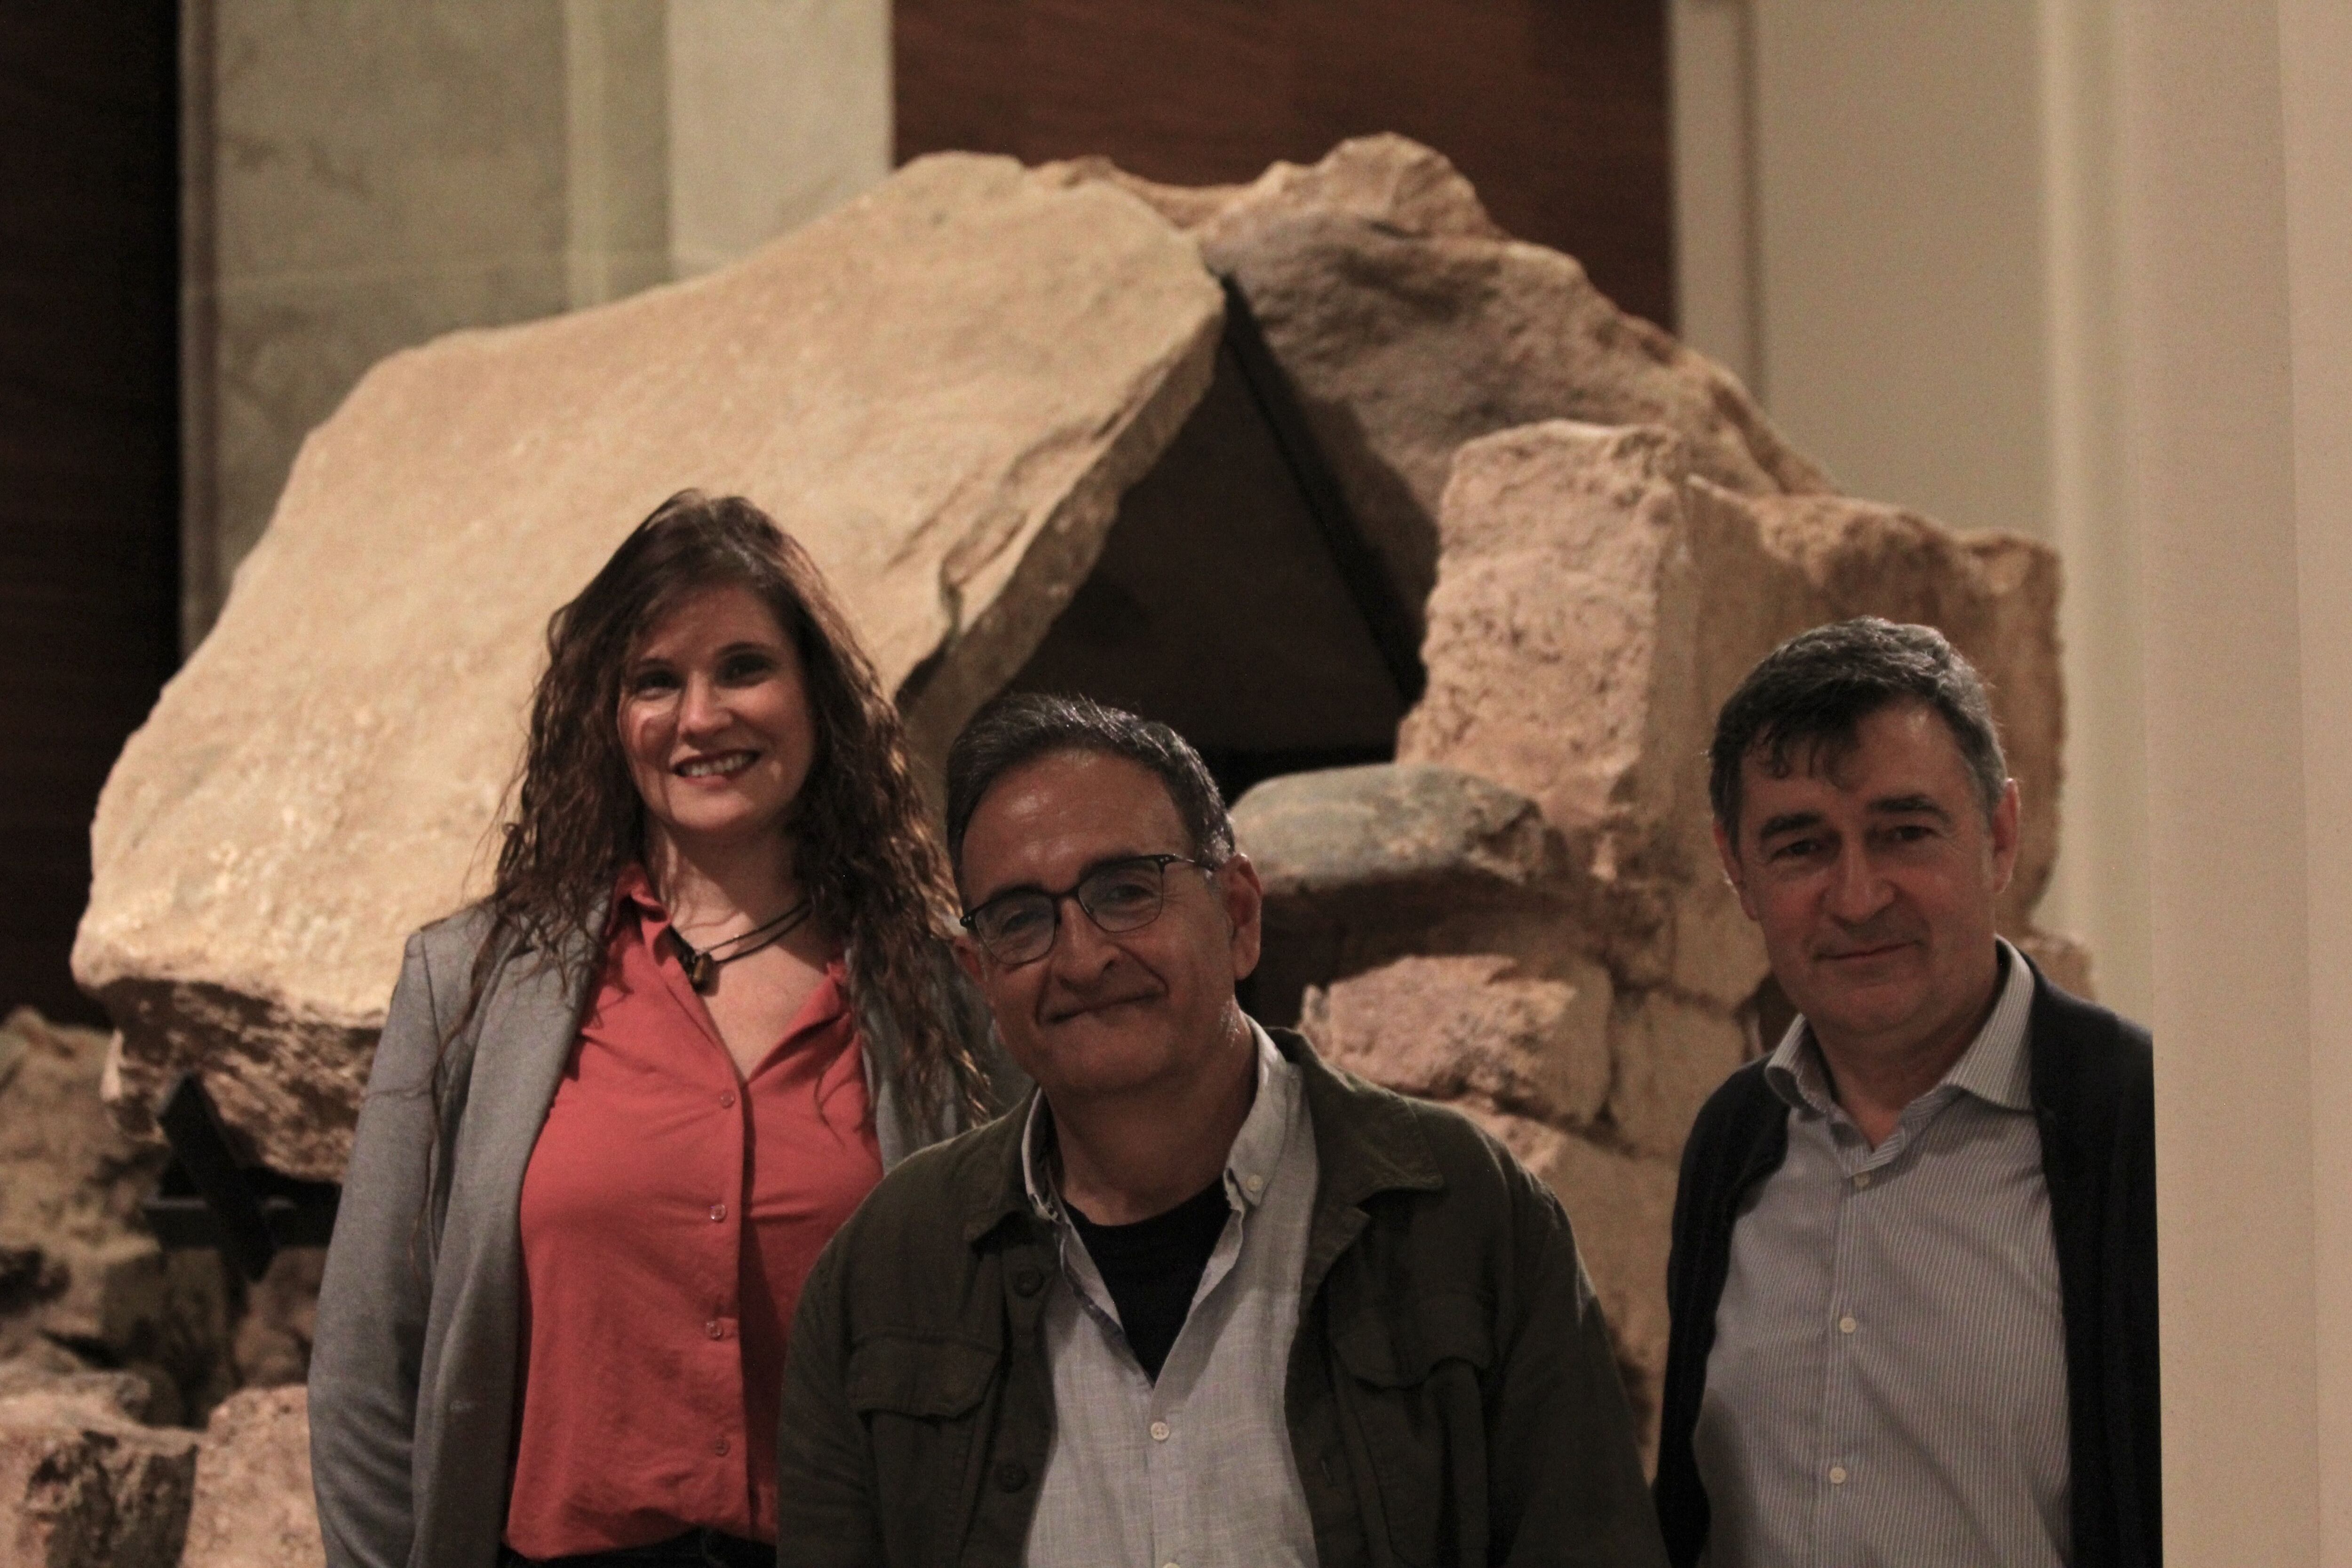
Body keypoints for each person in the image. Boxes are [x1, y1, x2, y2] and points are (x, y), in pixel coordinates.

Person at [772, 693, 1668, 1568]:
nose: (1082, 957)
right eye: (1021, 920)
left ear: (1238, 914)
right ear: (980, 974)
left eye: (1127, 891)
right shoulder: (888, 1269)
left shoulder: (1460, 1214)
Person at [309, 492, 1012, 1568]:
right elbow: (367, 1369)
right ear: (607, 714)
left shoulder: (943, 987)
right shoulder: (469, 982)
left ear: (817, 697)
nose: (701, 716)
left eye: (743, 667)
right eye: (655, 680)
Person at [1652, 618, 2159, 1568]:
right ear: (1737, 870)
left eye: (1902, 831)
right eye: (1801, 846)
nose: (1856, 895)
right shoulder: (1731, 1142)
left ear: (1999, 833)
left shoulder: (2140, 1126)